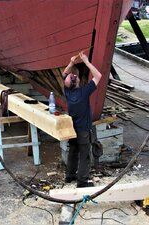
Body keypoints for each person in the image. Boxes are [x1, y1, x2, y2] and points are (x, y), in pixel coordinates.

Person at [62, 51, 102, 188]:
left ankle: (70, 176)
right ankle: (82, 182)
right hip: (84, 130)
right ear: (77, 81)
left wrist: (71, 62)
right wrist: (86, 61)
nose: (71, 75)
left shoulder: (67, 92)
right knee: (85, 155)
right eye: (74, 76)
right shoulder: (84, 92)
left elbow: (64, 74)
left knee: (73, 152)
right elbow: (98, 76)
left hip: (72, 128)